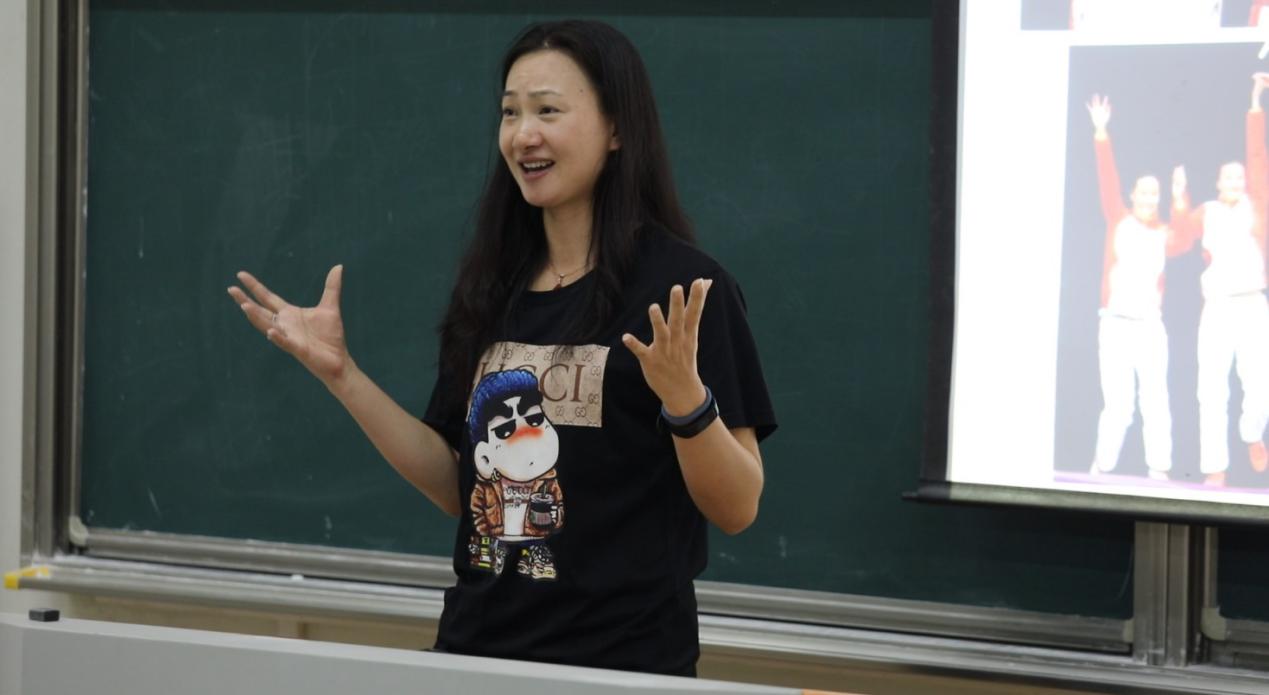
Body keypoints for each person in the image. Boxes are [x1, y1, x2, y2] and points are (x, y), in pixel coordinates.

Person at [227, 19, 776, 677]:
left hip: (621, 668)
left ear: (616, 129)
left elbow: (738, 507)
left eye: (547, 110)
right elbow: (456, 484)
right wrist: (343, 376)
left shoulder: (684, 289)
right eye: (510, 112)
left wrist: (687, 401)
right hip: (474, 657)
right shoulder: (494, 285)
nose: (523, 135)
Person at [1084, 94, 1188, 480]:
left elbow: (1184, 240)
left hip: (1148, 329)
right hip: (1114, 325)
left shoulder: (1164, 233)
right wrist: (1101, 132)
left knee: (1155, 399)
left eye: (1154, 194)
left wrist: (1179, 198)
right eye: (1143, 192)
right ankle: (1102, 468)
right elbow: (1106, 179)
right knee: (1118, 405)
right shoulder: (1119, 219)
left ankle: (1159, 470)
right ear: (1133, 195)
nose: (1148, 198)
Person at [1173, 74, 1269, 487]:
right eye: (1228, 178)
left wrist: (1255, 102)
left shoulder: (1257, 205)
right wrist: (1179, 197)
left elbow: (1257, 153)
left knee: (1260, 382)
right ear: (1217, 183)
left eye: (1240, 178)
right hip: (1217, 309)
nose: (1235, 182)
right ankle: (1215, 466)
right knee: (1211, 388)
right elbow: (1179, 240)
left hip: (1252, 304)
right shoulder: (1206, 212)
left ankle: (1252, 433)